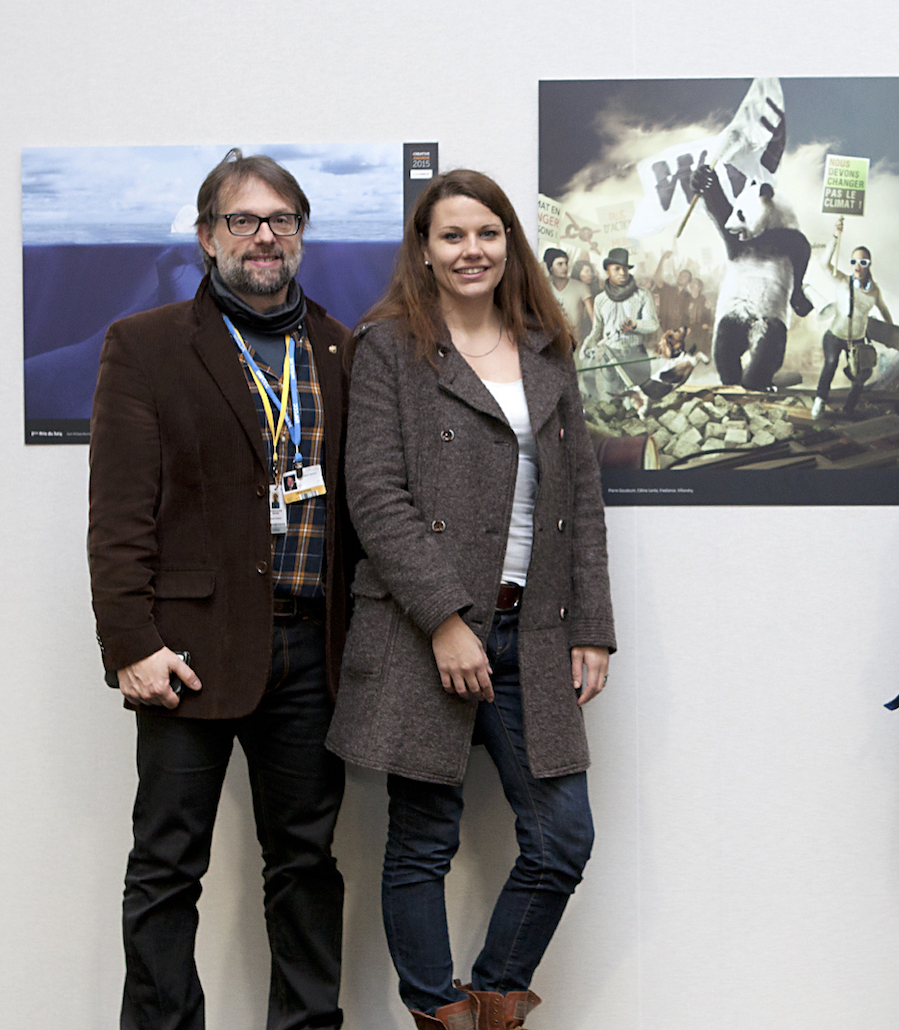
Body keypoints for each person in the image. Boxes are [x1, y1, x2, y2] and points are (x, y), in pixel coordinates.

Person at [325, 170, 617, 1030]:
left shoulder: (547, 348)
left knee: (563, 838)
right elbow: (374, 494)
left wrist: (592, 626)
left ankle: (483, 1004)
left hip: (536, 628)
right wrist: (448, 620)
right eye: (452, 236)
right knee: (423, 840)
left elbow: (582, 501)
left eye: (487, 233)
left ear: (509, 243)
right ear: (424, 248)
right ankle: (436, 1008)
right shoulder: (387, 348)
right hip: (425, 630)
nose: (471, 251)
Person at [88, 149, 352, 1030]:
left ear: (302, 238)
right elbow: (119, 514)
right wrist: (130, 643)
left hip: (313, 654)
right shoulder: (146, 344)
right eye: (244, 220)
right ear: (208, 238)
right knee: (167, 868)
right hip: (187, 654)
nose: (265, 236)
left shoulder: (338, 347)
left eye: (282, 220)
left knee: (306, 863)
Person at [810, 218, 894, 418]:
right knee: (830, 364)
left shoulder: (874, 291)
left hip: (856, 341)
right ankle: (819, 402)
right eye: (854, 261)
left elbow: (884, 310)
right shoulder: (842, 281)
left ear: (868, 265)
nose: (857, 265)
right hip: (834, 335)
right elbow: (824, 264)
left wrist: (890, 333)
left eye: (862, 262)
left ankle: (848, 411)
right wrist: (835, 237)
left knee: (860, 377)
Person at [584, 246, 658, 402]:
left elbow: (653, 324)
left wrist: (635, 324)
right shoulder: (600, 299)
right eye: (617, 269)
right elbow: (597, 329)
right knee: (612, 402)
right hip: (610, 356)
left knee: (641, 402)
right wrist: (587, 345)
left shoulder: (642, 295)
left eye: (625, 268)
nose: (622, 273)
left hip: (636, 356)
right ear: (607, 271)